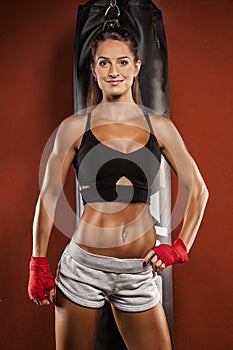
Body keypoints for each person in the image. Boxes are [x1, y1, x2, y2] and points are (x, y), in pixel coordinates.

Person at [28, 27, 209, 350]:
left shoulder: (161, 127)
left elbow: (199, 191)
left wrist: (181, 248)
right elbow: (50, 196)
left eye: (123, 62)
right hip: (83, 267)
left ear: (137, 67)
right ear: (94, 70)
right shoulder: (75, 127)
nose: (114, 71)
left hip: (137, 272)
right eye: (104, 63)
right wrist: (37, 262)